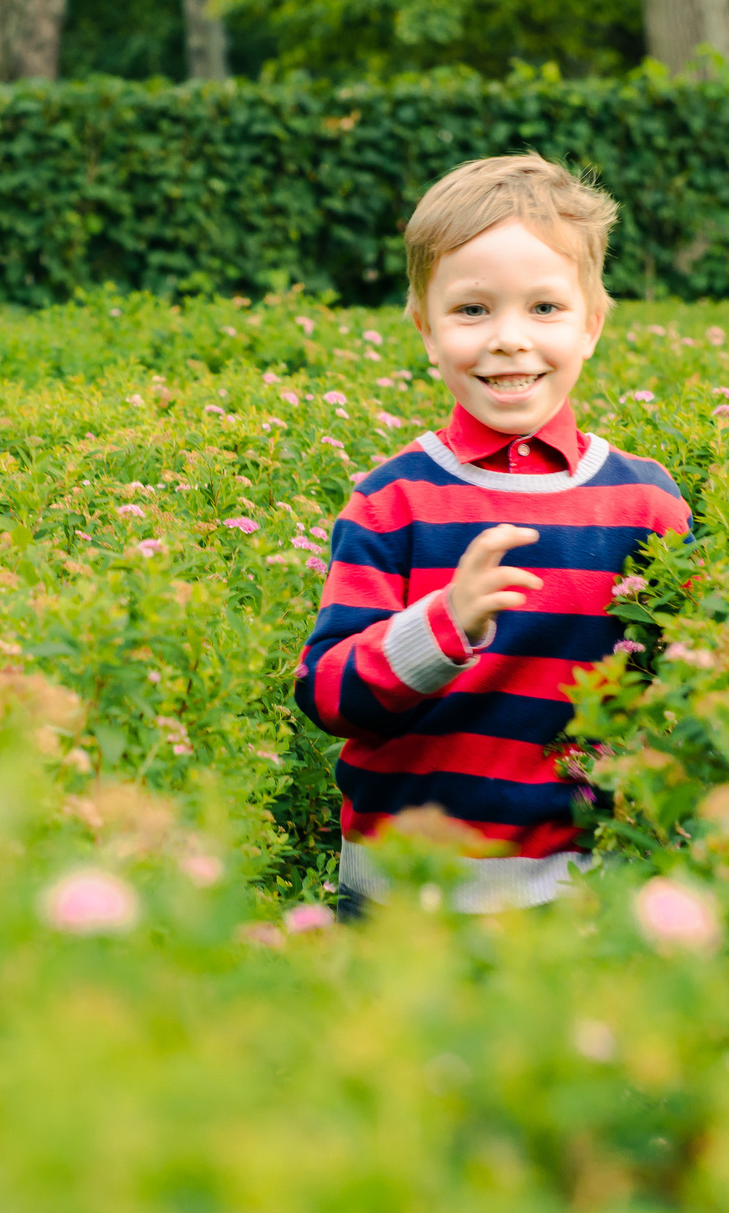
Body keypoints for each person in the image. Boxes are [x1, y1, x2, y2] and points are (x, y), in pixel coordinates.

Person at [294, 154, 690, 913]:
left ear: (591, 326)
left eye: (545, 308)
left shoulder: (645, 501)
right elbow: (326, 692)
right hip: (398, 899)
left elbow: (688, 675)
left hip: (574, 896)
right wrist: (439, 627)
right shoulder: (392, 498)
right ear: (426, 330)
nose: (510, 339)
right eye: (473, 310)